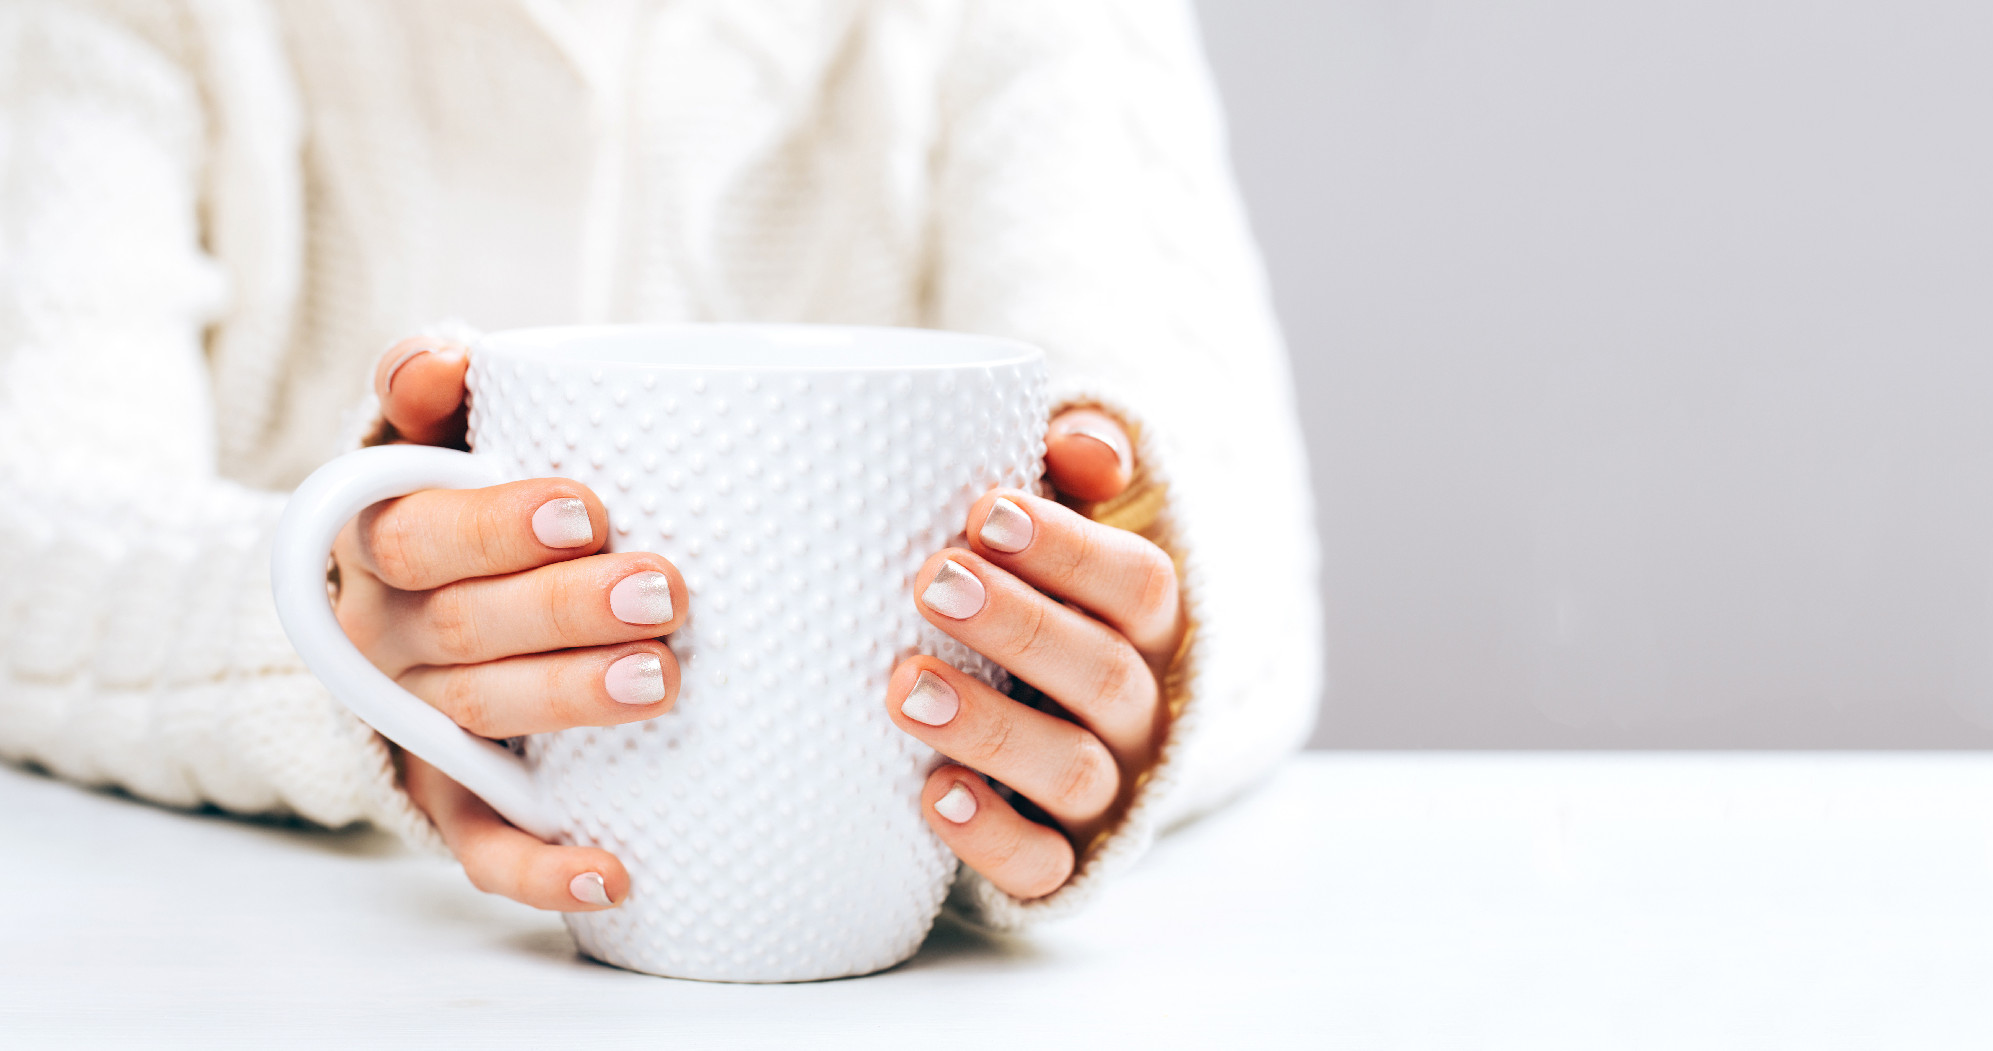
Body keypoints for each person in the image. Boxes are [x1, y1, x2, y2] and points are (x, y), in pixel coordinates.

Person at [0, 0, 1319, 931]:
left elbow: (1235, 566)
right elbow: (33, 533)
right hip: (283, 956)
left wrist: (1120, 671)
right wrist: (354, 654)